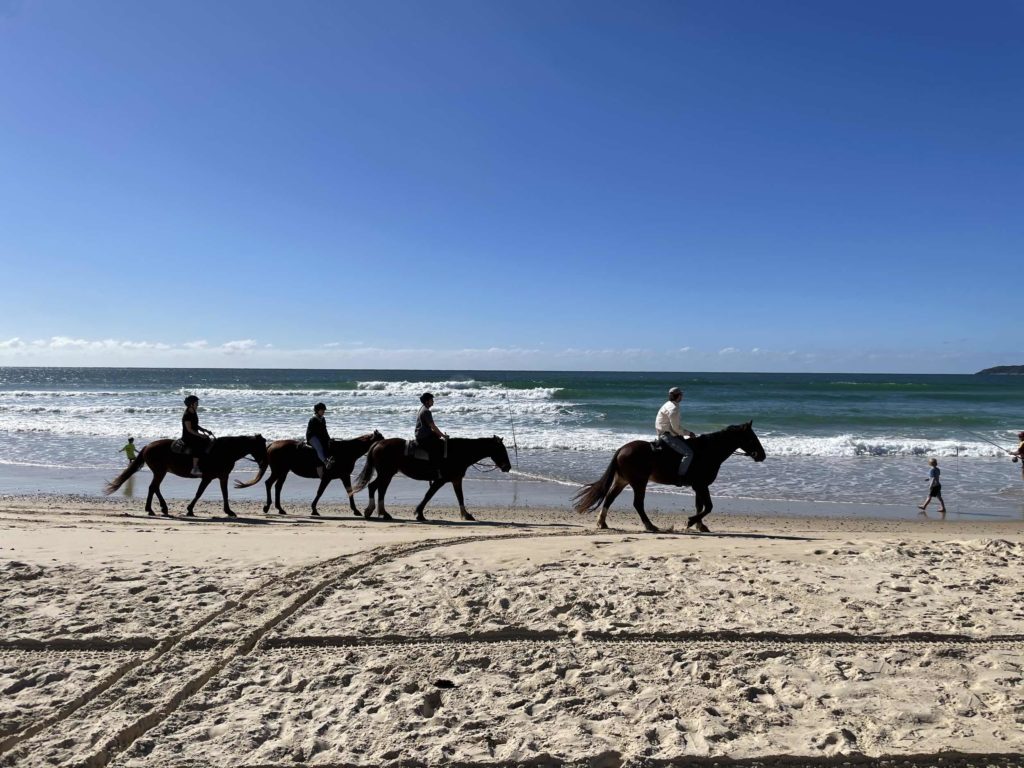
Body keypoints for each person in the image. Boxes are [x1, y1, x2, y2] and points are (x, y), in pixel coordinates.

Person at [656, 386, 695, 483]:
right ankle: (680, 477)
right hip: (667, 435)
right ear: (679, 396)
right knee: (688, 453)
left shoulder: (669, 404)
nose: (682, 396)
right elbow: (676, 428)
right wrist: (689, 433)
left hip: (663, 431)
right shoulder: (673, 409)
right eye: (681, 395)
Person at [415, 392, 447, 479]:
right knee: (437, 449)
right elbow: (433, 426)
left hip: (421, 434)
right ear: (427, 401)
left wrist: (438, 434)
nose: (433, 401)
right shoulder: (426, 411)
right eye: (431, 400)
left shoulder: (422, 408)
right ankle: (435, 471)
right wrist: (443, 436)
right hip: (423, 436)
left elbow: (431, 428)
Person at [181, 395, 214, 477]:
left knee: (208, 440)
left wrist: (204, 430)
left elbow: (195, 425)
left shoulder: (193, 412)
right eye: (196, 403)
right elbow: (189, 429)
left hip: (194, 434)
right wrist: (200, 435)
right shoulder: (187, 415)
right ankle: (194, 468)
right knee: (198, 446)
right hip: (188, 436)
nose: (198, 405)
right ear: (191, 404)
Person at [306, 402, 333, 478]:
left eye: (324, 410)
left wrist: (328, 438)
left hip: (319, 436)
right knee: (319, 447)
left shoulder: (323, 419)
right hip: (312, 437)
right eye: (322, 410)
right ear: (317, 410)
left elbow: (324, 430)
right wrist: (323, 438)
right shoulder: (313, 419)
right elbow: (315, 431)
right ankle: (325, 461)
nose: (323, 412)